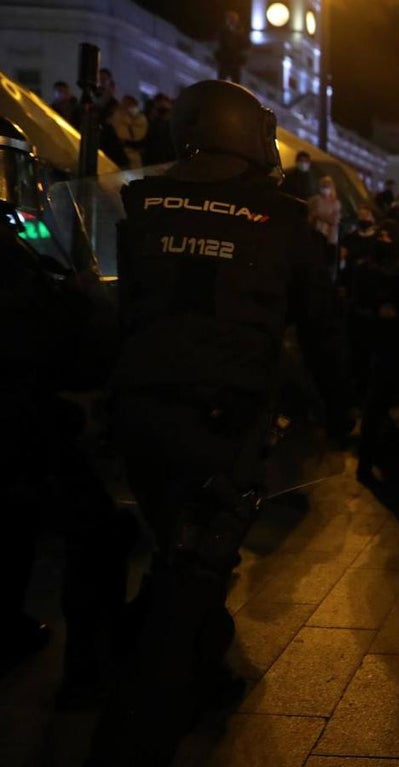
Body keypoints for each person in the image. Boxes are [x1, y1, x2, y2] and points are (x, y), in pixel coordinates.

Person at [83, 79, 351, 767]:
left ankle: (207, 675)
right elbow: (324, 333)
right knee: (189, 581)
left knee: (183, 556)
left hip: (140, 417)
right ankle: (132, 739)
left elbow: (119, 311)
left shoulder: (138, 203)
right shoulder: (283, 219)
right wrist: (343, 412)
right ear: (247, 135)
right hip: (221, 426)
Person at [0, 115, 132, 707]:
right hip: (19, 424)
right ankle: (91, 673)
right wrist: (87, 305)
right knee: (100, 533)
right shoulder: (13, 259)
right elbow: (54, 352)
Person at [215, 9, 250, 83]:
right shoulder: (223, 31)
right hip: (225, 60)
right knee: (222, 80)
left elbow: (245, 45)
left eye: (233, 19)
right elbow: (220, 44)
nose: (231, 21)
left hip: (235, 61)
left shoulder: (240, 32)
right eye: (229, 19)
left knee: (236, 81)